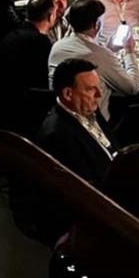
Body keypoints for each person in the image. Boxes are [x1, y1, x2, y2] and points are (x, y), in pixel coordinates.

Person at [47, 0, 139, 120]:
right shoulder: (99, 55)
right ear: (96, 24)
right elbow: (131, 88)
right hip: (92, 120)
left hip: (60, 116)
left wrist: (108, 49)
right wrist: (129, 52)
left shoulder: (57, 46)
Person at [34, 58, 114, 188]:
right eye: (90, 89)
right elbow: (84, 190)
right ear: (68, 94)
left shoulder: (86, 106)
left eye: (98, 87)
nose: (99, 94)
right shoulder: (57, 136)